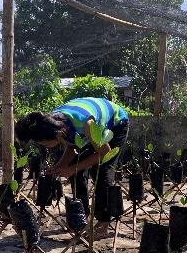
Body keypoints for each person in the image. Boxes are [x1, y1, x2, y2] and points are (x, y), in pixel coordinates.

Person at [15, 97, 129, 236]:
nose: (45, 147)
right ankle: (82, 217)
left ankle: (103, 223)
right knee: (76, 172)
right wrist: (59, 166)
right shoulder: (54, 123)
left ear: (56, 136)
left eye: (44, 144)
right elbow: (71, 147)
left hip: (116, 123)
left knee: (101, 171)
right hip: (88, 127)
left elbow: (105, 154)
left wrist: (70, 168)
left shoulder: (86, 125)